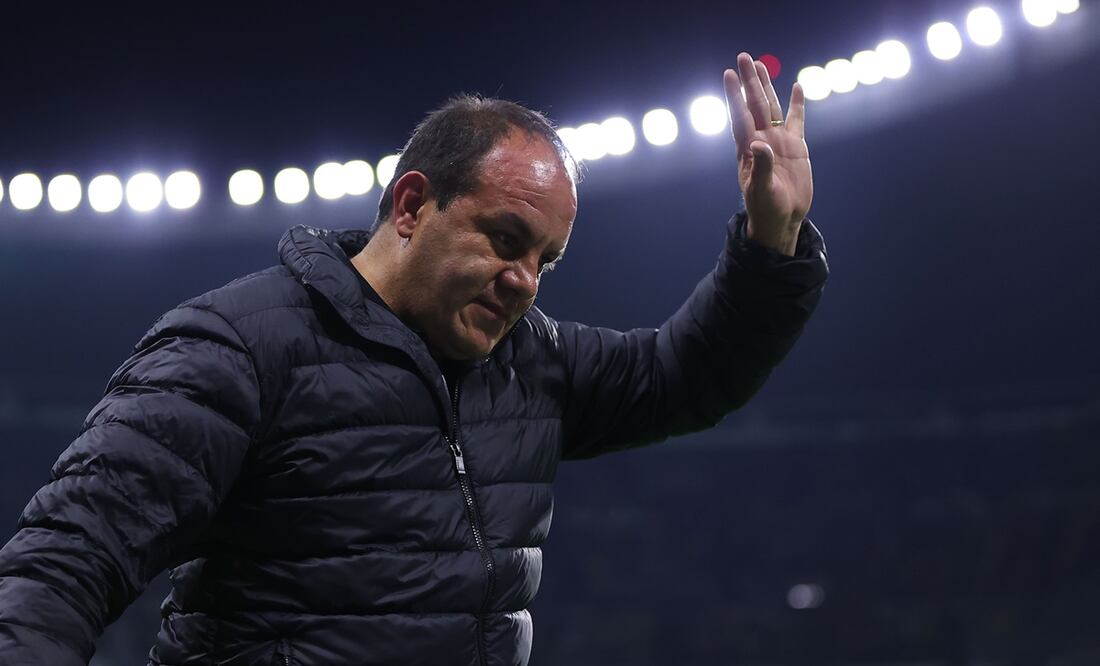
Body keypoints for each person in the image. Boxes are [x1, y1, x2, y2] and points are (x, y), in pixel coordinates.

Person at [0, 52, 828, 665]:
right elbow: (63, 564)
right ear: (410, 205)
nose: (525, 282)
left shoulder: (529, 363)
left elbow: (688, 375)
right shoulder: (239, 347)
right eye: (506, 240)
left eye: (546, 260)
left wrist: (772, 240)